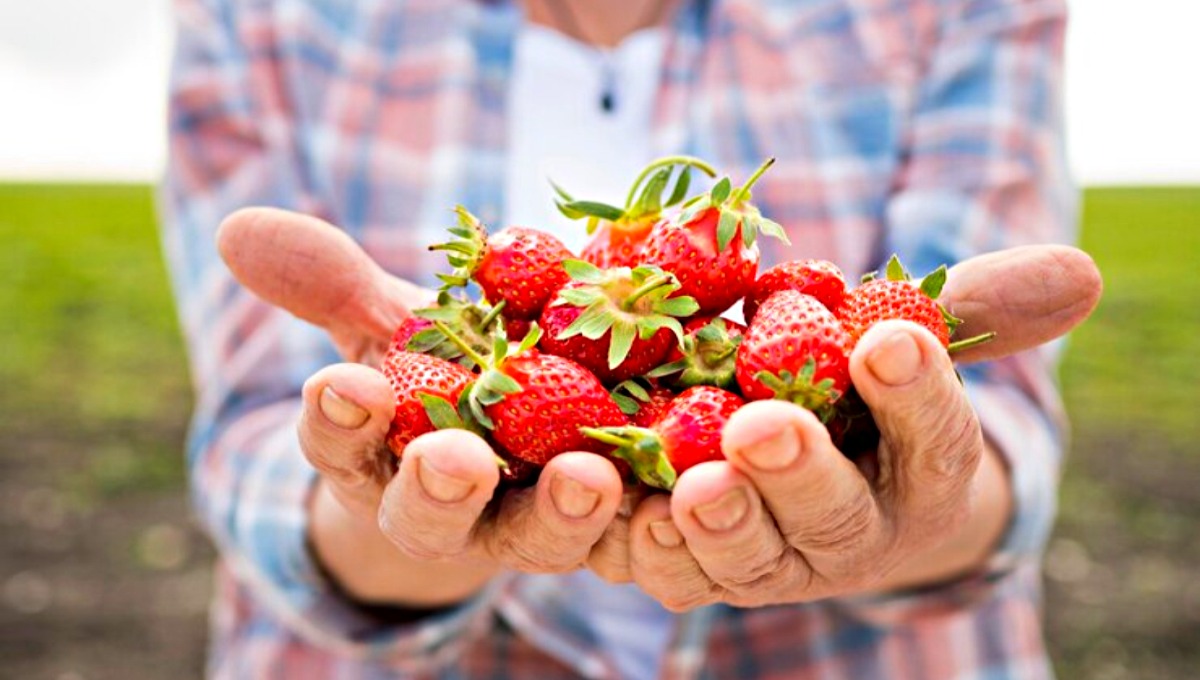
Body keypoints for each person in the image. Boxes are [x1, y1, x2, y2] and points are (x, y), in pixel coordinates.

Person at [161, 0, 1102, 677]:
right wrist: (398, 506)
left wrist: (912, 489)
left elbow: (991, 421)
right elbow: (257, 444)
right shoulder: (262, 18)